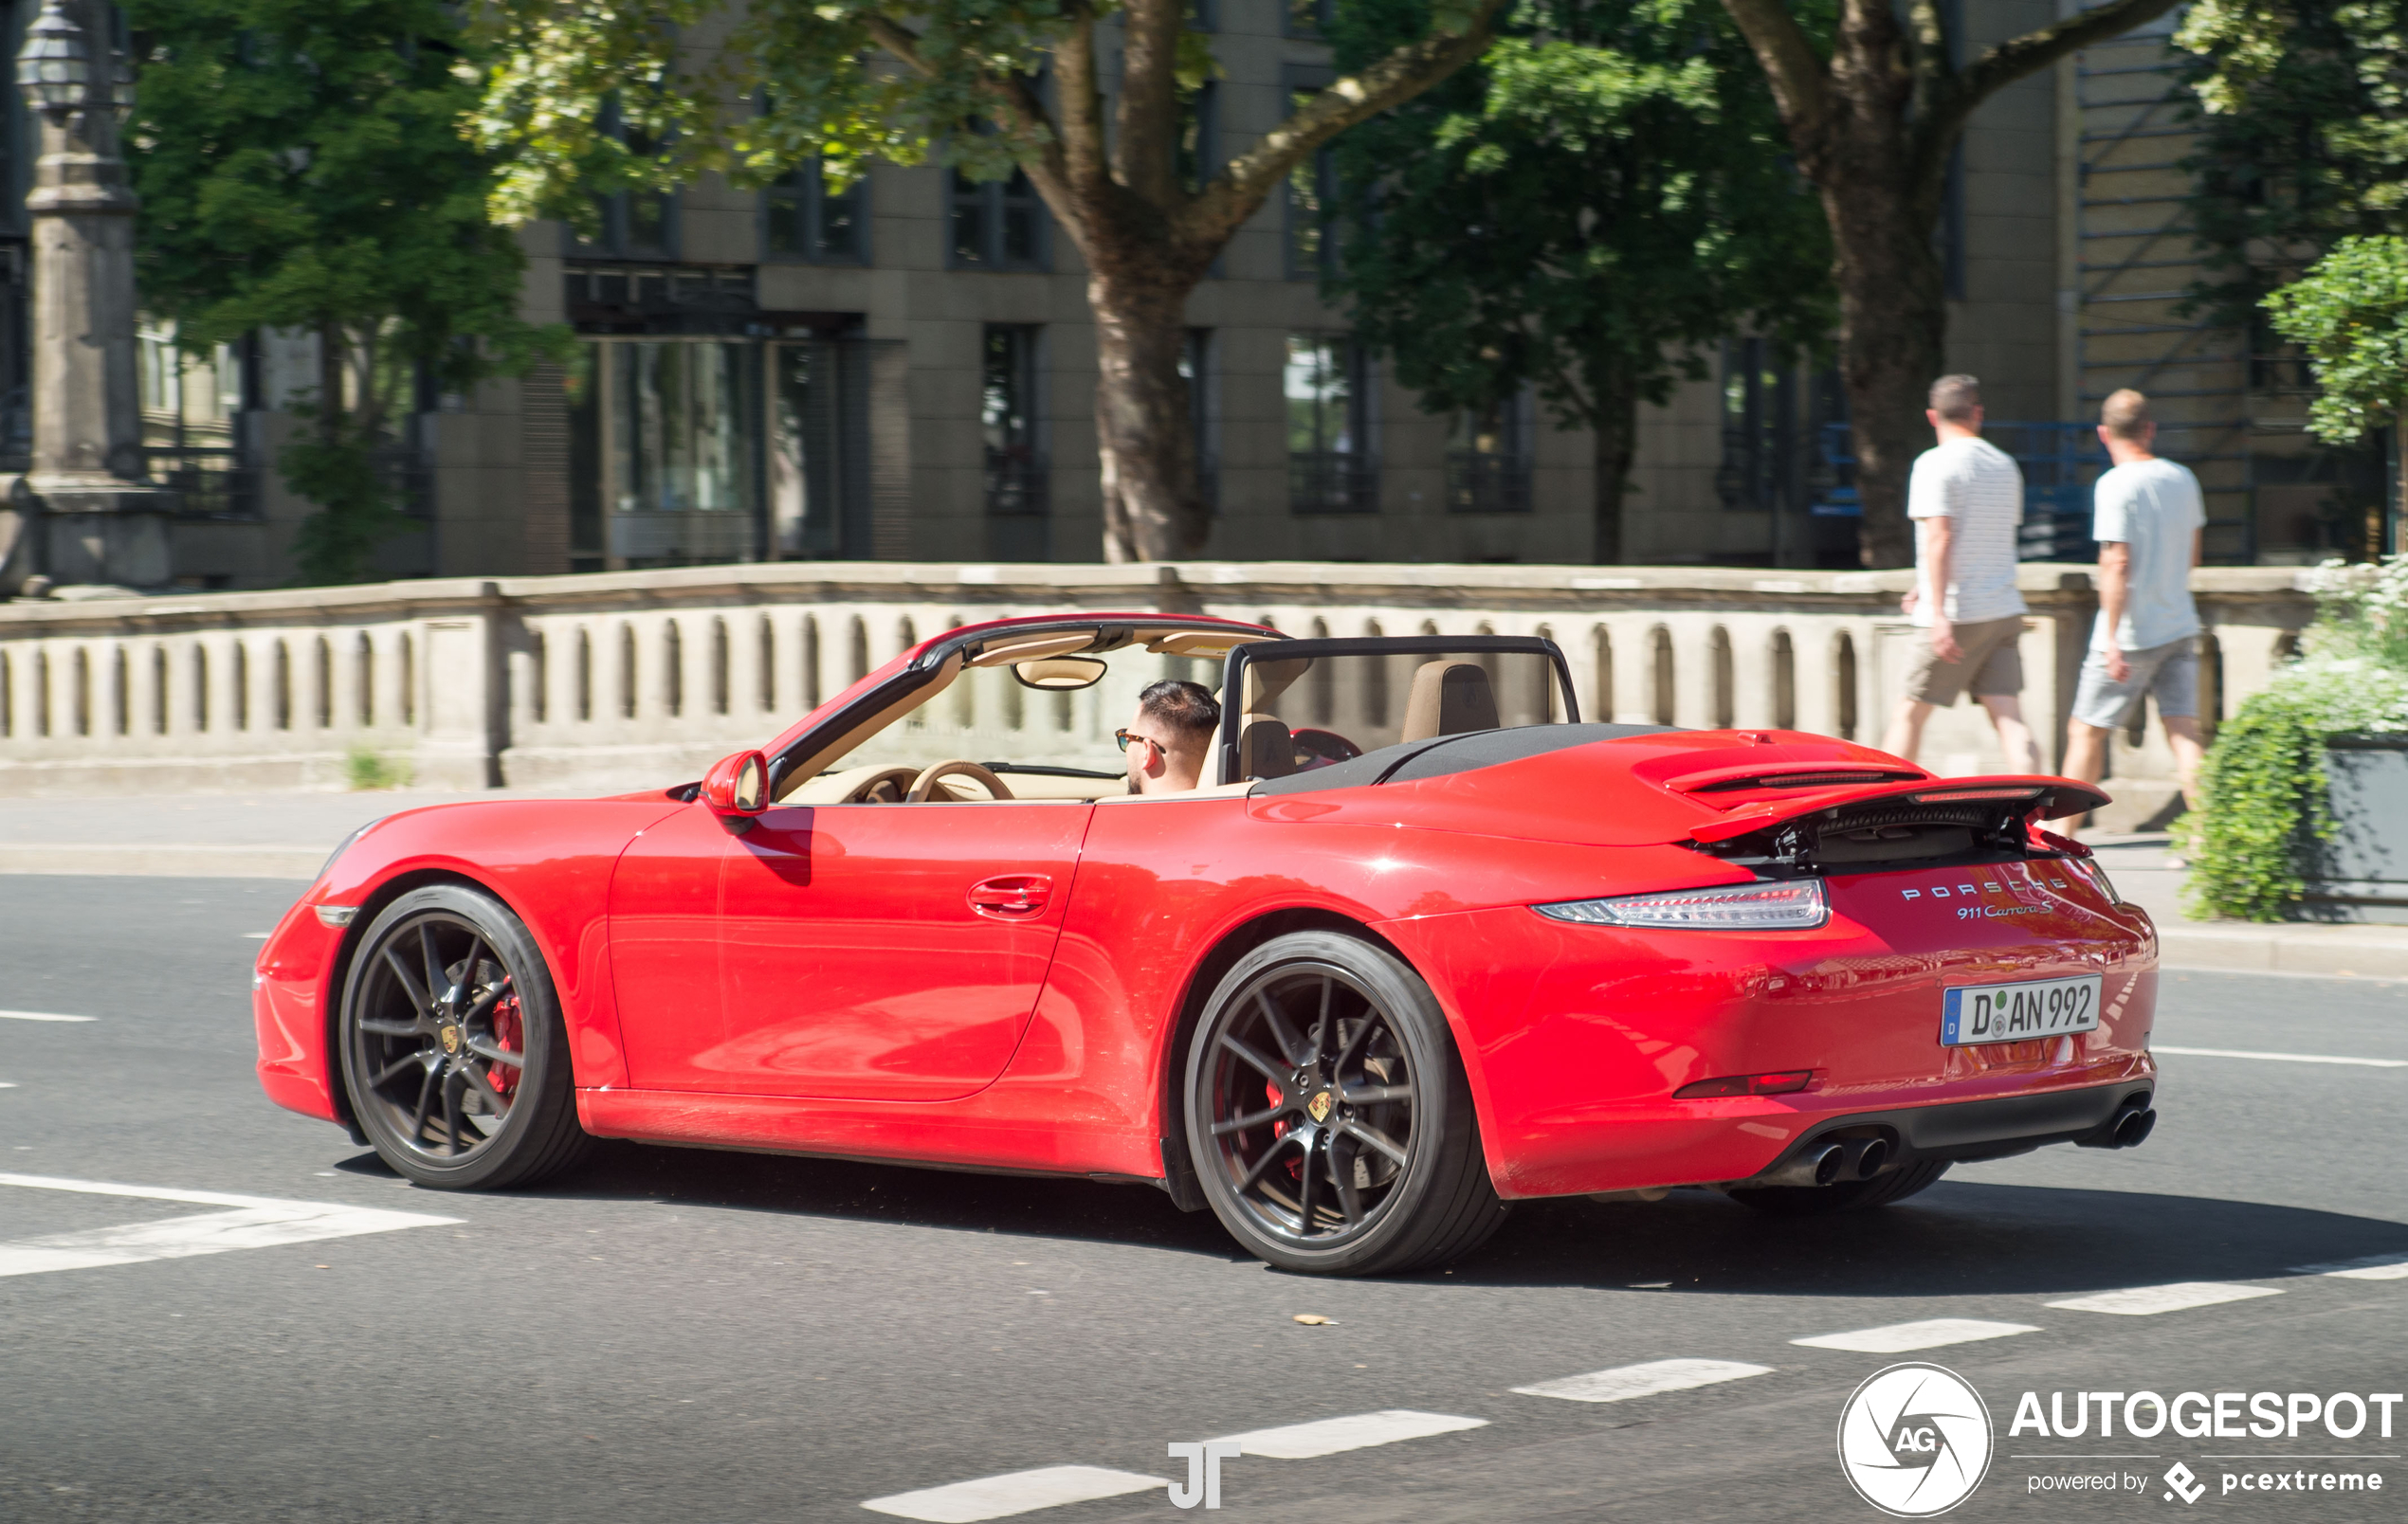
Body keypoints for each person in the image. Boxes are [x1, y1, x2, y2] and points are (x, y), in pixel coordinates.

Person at [2048, 389, 2206, 835]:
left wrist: (2112, 637)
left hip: (2132, 633)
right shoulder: (2182, 478)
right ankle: (2212, 842)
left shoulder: (2115, 484)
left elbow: (2116, 562)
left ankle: (2061, 842)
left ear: (2103, 434)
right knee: (2184, 734)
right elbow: (2193, 555)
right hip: (2179, 623)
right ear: (2150, 429)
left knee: (2086, 733)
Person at [1879, 373, 2043, 774]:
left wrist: (1937, 612)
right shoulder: (2005, 465)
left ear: (1933, 417)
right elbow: (1985, 537)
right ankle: (2039, 816)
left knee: (1908, 715)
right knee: (2010, 718)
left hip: (1958, 613)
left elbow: (1941, 539)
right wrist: (1924, 583)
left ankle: (1876, 813)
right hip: (2002, 609)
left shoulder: (1934, 465)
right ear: (1978, 413)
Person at [1120, 679, 1221, 795]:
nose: (1126, 749)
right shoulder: (1237, 806)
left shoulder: (1117, 811)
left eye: (1126, 740)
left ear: (1147, 752)